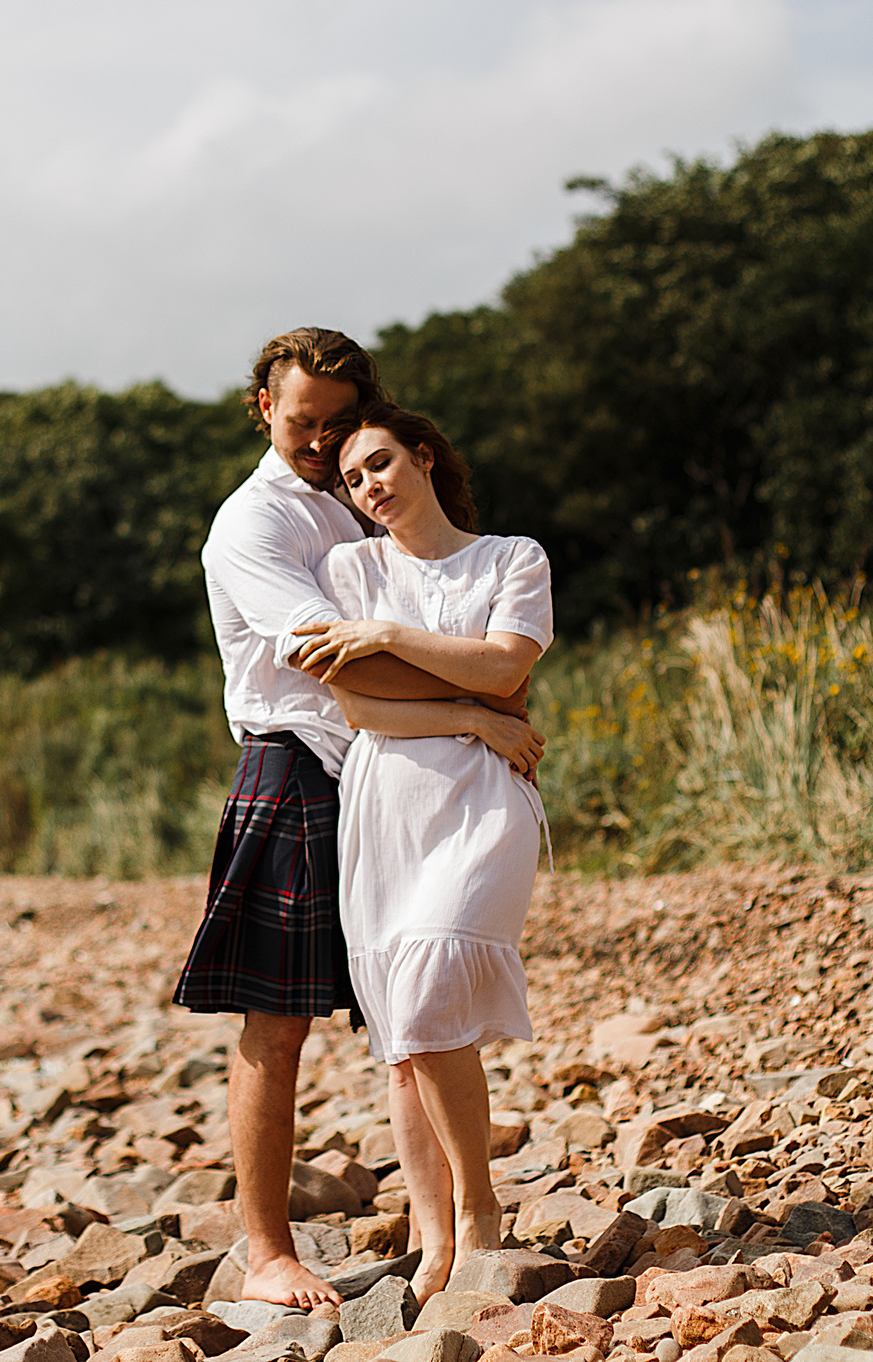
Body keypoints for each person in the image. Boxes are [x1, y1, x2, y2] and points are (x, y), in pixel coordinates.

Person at [173, 329, 532, 1311]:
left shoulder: (362, 490)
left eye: (338, 423)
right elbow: (337, 660)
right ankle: (266, 1250)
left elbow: (456, 619)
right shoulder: (252, 524)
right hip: (295, 767)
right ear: (263, 408)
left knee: (408, 1004)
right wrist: (474, 697)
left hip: (394, 769)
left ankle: (440, 1226)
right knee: (277, 1025)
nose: (320, 441)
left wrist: (476, 690)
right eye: (302, 422)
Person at [291, 402, 550, 1305]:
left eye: (380, 463)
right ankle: (432, 1233)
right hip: (385, 802)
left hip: (484, 801)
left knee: (435, 975)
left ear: (424, 456)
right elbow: (359, 705)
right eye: (354, 479)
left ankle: (478, 1206)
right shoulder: (348, 566)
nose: (369, 487)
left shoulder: (513, 557)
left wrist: (396, 637)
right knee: (405, 1032)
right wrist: (473, 712)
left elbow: (506, 665)